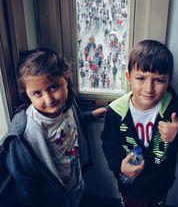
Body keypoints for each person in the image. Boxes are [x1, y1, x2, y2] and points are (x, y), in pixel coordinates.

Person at [101, 39, 178, 207]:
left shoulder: (175, 109)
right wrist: (119, 166)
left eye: (159, 80)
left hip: (160, 188)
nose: (149, 88)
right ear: (128, 77)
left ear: (169, 80)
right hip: (128, 187)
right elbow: (109, 143)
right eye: (141, 78)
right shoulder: (115, 111)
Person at [3, 48, 107, 207]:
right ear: (28, 94)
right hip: (52, 200)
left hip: (74, 185)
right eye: (37, 93)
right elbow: (26, 187)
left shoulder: (67, 105)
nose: (49, 99)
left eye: (53, 87)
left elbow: (71, 122)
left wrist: (91, 115)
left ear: (66, 80)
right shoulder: (23, 136)